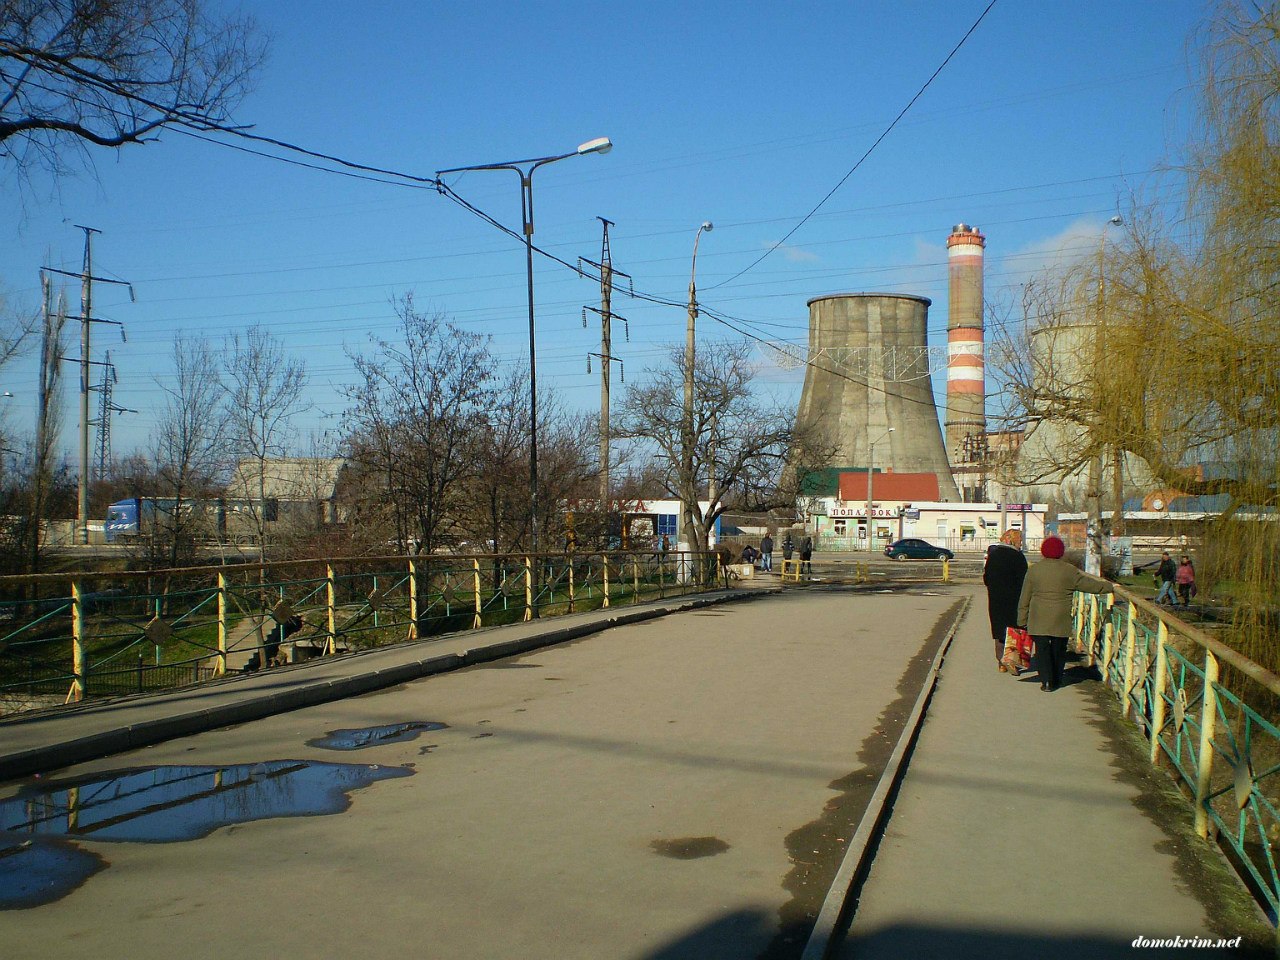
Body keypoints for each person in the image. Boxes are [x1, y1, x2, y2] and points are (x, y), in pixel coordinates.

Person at [1017, 535, 1114, 692]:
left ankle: (1046, 681)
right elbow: (1088, 585)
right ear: (1061, 552)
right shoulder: (1069, 571)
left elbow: (1025, 597)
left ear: (1043, 551)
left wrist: (1021, 619)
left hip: (1038, 617)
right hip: (1060, 617)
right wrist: (1108, 586)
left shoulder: (1034, 570)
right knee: (1058, 649)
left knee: (1042, 650)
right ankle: (1056, 678)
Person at [984, 530, 1028, 673]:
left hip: (996, 599)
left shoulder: (994, 555)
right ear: (1013, 540)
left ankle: (1001, 662)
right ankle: (1012, 660)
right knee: (1013, 629)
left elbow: (986, 578)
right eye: (1020, 540)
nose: (1021, 543)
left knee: (999, 630)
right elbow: (1024, 580)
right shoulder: (1018, 557)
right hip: (1014, 599)